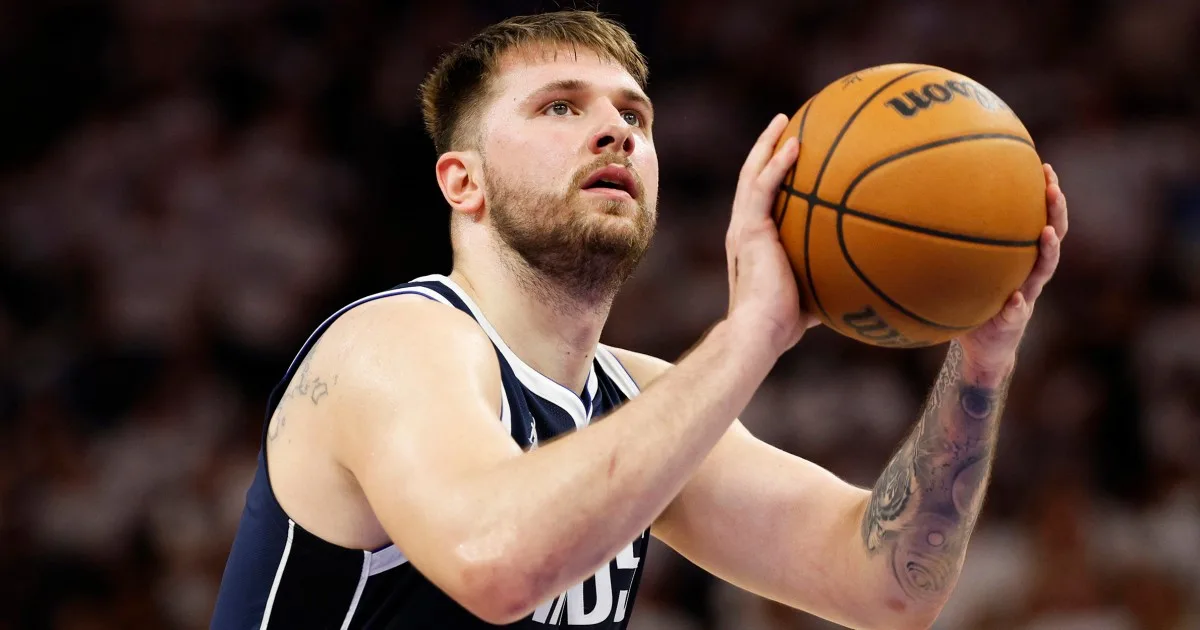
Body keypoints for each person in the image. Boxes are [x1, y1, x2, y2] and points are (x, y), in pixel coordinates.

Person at [210, 10, 1069, 630]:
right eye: (560, 106)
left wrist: (980, 364)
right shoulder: (389, 344)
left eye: (633, 115)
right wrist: (754, 330)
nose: (614, 132)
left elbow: (889, 586)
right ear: (462, 182)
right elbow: (494, 562)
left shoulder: (636, 400)